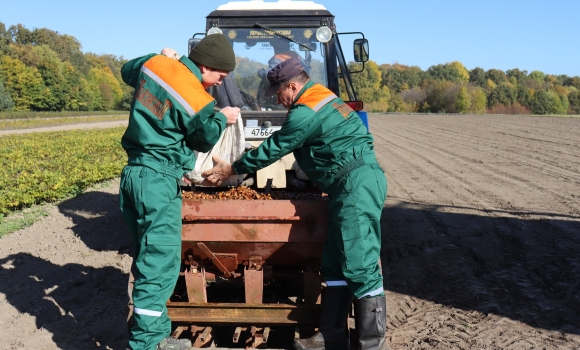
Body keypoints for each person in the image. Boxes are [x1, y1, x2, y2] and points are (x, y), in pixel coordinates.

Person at [202, 58, 389, 350]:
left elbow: (276, 148)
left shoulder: (305, 111)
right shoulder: (321, 96)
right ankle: (331, 337)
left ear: (292, 86)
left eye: (279, 93)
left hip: (355, 185)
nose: (278, 99)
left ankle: (372, 345)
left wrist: (231, 169)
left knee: (360, 263)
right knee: (333, 261)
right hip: (345, 185)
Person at [119, 33, 240, 350]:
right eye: (219, 76)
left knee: (149, 258)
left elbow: (126, 71)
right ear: (205, 67)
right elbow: (203, 139)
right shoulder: (198, 98)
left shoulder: (155, 64)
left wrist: (157, 55)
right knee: (160, 262)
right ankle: (148, 343)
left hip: (133, 173)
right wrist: (221, 117)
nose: (217, 83)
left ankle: (156, 333)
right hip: (158, 179)